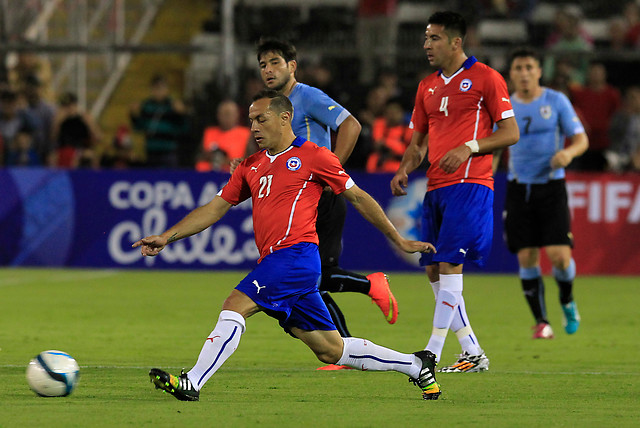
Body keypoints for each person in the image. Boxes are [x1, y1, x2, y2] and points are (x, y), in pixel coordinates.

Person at [135, 90, 441, 401]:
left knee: (234, 305)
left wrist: (399, 239)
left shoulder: (315, 156)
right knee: (331, 350)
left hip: (295, 256)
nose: (253, 127)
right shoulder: (250, 166)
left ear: (285, 118)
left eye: (260, 119)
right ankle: (415, 365)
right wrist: (166, 236)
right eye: (251, 120)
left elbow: (359, 197)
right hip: (284, 264)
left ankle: (193, 381)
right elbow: (214, 208)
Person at [390, 11, 519, 372]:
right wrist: (404, 168)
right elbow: (417, 144)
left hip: (471, 183)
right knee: (433, 268)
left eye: (434, 38)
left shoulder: (486, 78)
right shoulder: (426, 86)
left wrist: (471, 147)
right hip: (436, 187)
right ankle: (472, 351)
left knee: (449, 263)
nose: (426, 45)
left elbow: (510, 133)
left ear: (456, 42)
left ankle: (430, 352)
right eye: (426, 39)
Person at [253, 38, 398, 349]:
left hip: (318, 195)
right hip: (301, 196)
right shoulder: (274, 108)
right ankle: (346, 341)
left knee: (309, 278)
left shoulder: (307, 96)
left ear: (292, 66)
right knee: (318, 275)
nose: (268, 69)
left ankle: (361, 306)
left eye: (275, 62)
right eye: (263, 64)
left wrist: (332, 171)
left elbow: (351, 125)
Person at [496, 47, 587, 339]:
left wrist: (568, 153)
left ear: (539, 71)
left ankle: (567, 301)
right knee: (527, 257)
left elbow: (581, 138)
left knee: (560, 257)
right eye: (518, 68)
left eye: (529, 67)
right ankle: (541, 321)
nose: (524, 73)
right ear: (511, 74)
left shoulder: (555, 100)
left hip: (551, 187)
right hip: (518, 188)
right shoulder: (504, 105)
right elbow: (495, 144)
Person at [569, 62, 621, 171]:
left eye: (599, 72)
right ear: (588, 75)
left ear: (604, 74)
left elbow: (617, 116)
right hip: (584, 142)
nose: (596, 75)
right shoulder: (580, 94)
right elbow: (574, 113)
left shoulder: (612, 94)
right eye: (593, 72)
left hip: (605, 142)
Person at [130, 74, 188, 168]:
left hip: (168, 153)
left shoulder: (173, 106)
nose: (159, 91)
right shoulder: (146, 105)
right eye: (156, 88)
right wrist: (134, 116)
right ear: (152, 90)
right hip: (151, 153)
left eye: (161, 88)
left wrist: (182, 114)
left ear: (167, 89)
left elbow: (184, 129)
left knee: (170, 178)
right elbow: (139, 127)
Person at [196, 99, 253, 172]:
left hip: (233, 176)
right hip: (205, 176)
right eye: (222, 114)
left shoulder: (246, 134)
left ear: (237, 115)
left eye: (228, 114)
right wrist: (210, 157)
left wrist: (226, 161)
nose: (225, 117)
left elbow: (251, 161)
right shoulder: (209, 132)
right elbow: (198, 157)